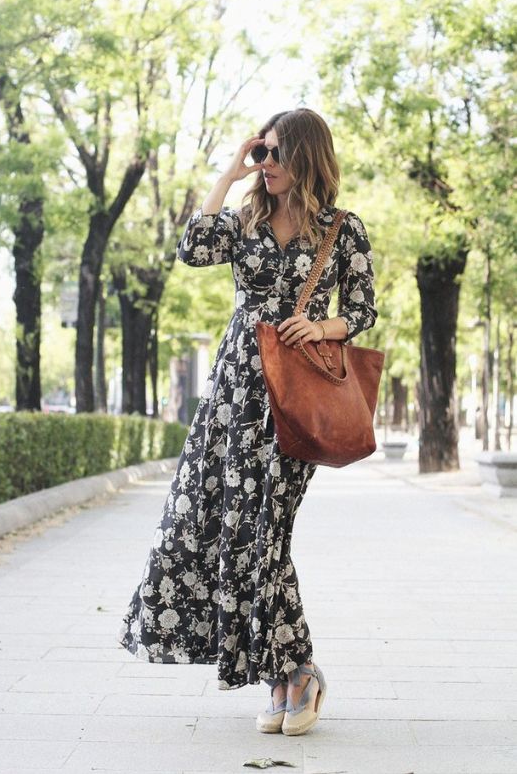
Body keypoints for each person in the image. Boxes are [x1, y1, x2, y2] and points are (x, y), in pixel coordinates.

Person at [117, 107, 377, 737]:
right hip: (234, 391)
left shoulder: (343, 229)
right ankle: (290, 677)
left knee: (267, 532)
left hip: (296, 395)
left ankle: (296, 672)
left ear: (308, 157)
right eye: (262, 152)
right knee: (232, 530)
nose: (267, 163)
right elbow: (191, 248)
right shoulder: (247, 218)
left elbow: (363, 308)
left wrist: (321, 325)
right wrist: (230, 172)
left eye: (277, 153)